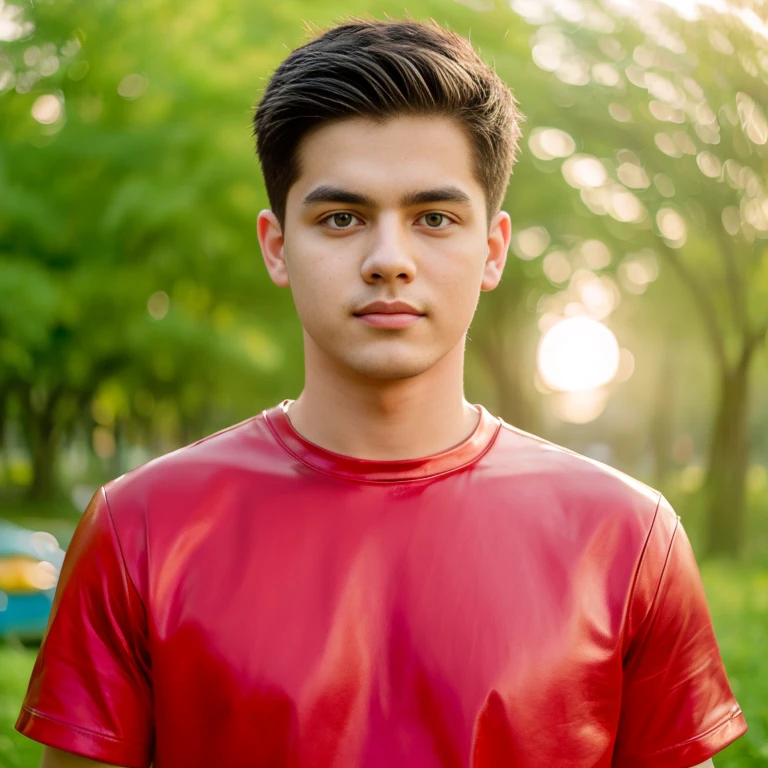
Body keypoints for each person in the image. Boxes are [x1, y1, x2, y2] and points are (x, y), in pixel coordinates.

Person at [17, 15, 746, 768]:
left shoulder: (628, 541)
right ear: (277, 245)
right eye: (342, 217)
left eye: (434, 217)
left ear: (491, 248)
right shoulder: (139, 531)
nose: (388, 259)